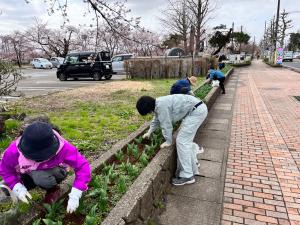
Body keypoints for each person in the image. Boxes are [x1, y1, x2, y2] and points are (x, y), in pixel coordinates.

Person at [0, 121, 91, 213]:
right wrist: (16, 186)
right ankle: (28, 183)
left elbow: (82, 166)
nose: (38, 159)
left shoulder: (64, 148)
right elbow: (5, 168)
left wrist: (76, 193)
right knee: (6, 187)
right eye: (34, 156)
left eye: (42, 156)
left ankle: (52, 189)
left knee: (40, 177)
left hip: (55, 169)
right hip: (27, 170)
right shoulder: (14, 150)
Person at [136, 95, 208, 186]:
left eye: (147, 112)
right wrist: (149, 132)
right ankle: (193, 165)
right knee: (185, 141)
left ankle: (187, 176)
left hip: (196, 113)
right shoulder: (158, 103)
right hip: (196, 109)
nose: (149, 114)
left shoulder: (161, 107)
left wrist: (168, 141)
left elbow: (166, 126)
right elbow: (156, 119)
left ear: (148, 108)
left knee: (182, 141)